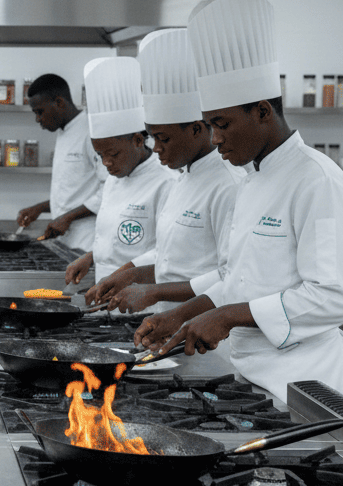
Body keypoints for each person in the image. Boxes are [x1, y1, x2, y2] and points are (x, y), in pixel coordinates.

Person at [134, 0, 343, 404]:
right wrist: (181, 314)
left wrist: (227, 316)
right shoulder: (250, 179)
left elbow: (333, 297)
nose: (215, 138)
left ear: (262, 111)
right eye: (210, 125)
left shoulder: (317, 181)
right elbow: (238, 279)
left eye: (222, 124)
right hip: (253, 378)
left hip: (309, 387)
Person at [96, 29, 242, 314]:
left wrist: (154, 292)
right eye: (153, 138)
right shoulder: (184, 177)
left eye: (164, 138)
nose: (157, 149)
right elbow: (170, 260)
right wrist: (131, 273)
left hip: (204, 327)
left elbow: (231, 275)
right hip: (170, 323)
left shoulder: (228, 184)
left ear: (197, 129)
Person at [63, 57, 174, 302]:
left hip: (142, 301)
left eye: (113, 154)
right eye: (100, 155)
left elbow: (168, 252)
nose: (106, 163)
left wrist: (120, 275)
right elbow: (113, 239)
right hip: (106, 296)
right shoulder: (115, 177)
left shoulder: (166, 181)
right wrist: (91, 257)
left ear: (138, 140)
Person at [15, 72, 103, 249]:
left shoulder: (91, 133)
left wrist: (68, 217)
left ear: (60, 102)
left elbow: (109, 190)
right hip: (65, 239)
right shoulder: (63, 132)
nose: (38, 119)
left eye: (40, 112)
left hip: (87, 240)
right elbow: (72, 193)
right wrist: (40, 208)